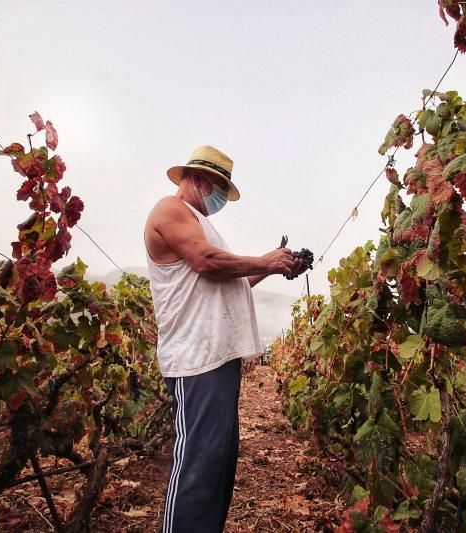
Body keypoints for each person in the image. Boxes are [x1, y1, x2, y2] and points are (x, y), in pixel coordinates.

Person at [143, 145, 308, 533]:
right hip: (195, 358)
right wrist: (266, 261)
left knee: (217, 465)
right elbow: (207, 262)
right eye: (218, 189)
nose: (220, 201)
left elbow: (229, 282)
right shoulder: (170, 209)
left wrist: (272, 266)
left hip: (218, 357)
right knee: (197, 467)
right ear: (199, 179)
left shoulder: (199, 222)